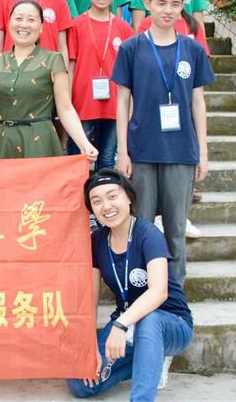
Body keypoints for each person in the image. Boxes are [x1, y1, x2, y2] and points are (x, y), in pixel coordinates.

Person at [112, 0, 215, 285]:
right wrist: (122, 151)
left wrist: (203, 151)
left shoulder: (192, 49)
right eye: (161, 3)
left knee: (176, 228)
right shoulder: (131, 48)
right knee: (141, 225)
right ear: (147, 4)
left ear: (183, 6)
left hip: (181, 151)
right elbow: (122, 102)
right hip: (141, 150)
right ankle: (141, 287)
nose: (168, 10)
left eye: (175, 3)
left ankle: (175, 291)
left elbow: (198, 102)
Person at [67, 169, 194, 402]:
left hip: (170, 322)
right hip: (127, 322)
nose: (106, 206)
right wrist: (89, 345)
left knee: (150, 319)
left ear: (128, 197)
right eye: (97, 201)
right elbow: (90, 297)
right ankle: (151, 361)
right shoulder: (96, 241)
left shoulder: (148, 234)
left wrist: (120, 325)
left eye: (112, 196)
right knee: (81, 384)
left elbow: (159, 292)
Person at [0, 0, 97, 162]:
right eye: (18, 18)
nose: (24, 25)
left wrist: (84, 144)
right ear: (9, 23)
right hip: (4, 141)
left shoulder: (53, 60)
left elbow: (65, 108)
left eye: (31, 20)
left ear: (41, 27)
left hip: (40, 142)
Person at [67, 0, 135, 171]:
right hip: (82, 103)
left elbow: (130, 74)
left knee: (106, 161)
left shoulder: (124, 28)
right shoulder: (76, 25)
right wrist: (67, 102)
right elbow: (70, 66)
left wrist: (131, 105)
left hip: (114, 104)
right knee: (79, 160)